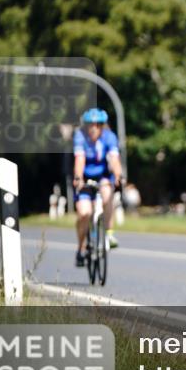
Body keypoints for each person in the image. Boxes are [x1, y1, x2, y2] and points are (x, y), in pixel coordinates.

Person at [72, 108, 123, 266]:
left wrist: (118, 175)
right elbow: (80, 160)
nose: (94, 128)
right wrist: (78, 178)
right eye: (90, 125)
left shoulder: (109, 137)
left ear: (102, 126)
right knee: (84, 213)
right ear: (86, 126)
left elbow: (114, 159)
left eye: (98, 125)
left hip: (103, 177)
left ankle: (109, 233)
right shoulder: (80, 136)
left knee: (108, 195)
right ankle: (81, 248)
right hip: (85, 178)